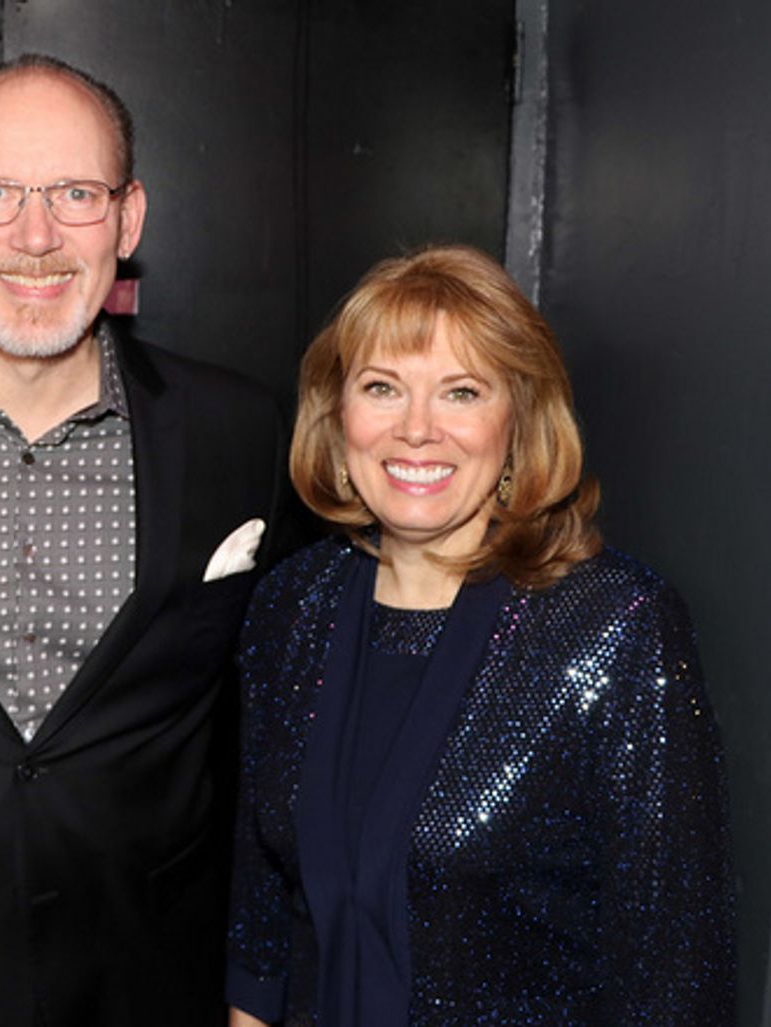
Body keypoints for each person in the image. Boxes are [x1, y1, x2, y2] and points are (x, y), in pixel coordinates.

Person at [0, 54, 292, 1027]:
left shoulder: (241, 432)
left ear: (128, 217)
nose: (36, 236)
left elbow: (286, 729)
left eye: (76, 192)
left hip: (151, 982)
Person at [225, 244, 735, 1026]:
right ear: (338, 416)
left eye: (461, 391)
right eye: (382, 387)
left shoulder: (614, 625)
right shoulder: (292, 606)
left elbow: (675, 977)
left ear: (518, 417)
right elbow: (262, 932)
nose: (418, 429)